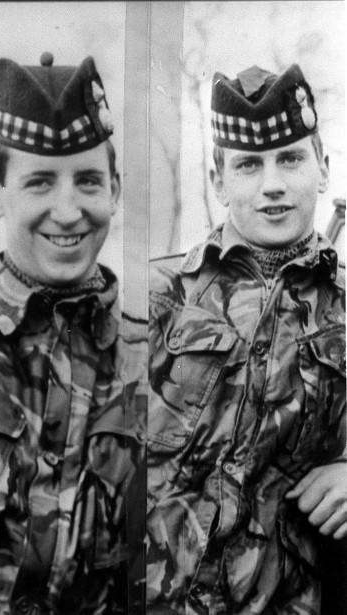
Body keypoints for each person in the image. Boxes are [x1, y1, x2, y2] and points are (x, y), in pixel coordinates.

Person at [0, 53, 147, 614]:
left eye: (87, 181)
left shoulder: (151, 353)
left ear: (115, 191)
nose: (68, 210)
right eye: (39, 182)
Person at [147, 64, 346, 613]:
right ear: (218, 178)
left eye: (290, 157)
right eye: (249, 165)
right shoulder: (155, 298)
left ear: (323, 166)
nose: (273, 184)